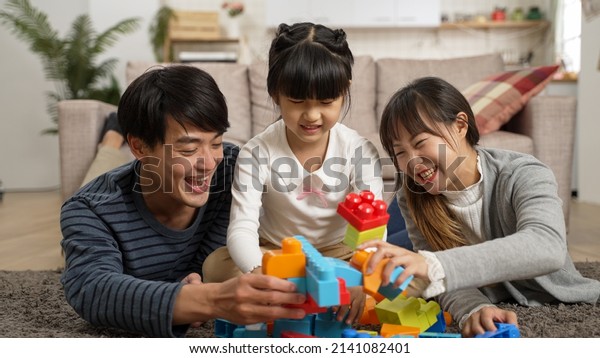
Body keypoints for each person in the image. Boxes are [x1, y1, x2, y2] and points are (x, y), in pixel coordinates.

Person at [60, 65, 307, 338]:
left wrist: (195, 282)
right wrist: (212, 299)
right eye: (189, 149)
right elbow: (92, 289)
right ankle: (111, 138)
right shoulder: (90, 210)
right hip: (119, 182)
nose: (209, 162)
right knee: (102, 164)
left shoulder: (233, 169)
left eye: (216, 143)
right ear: (140, 146)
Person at [359, 76, 600, 337]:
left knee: (411, 256)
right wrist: (474, 308)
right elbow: (438, 278)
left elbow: (548, 246)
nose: (412, 162)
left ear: (461, 125)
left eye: (419, 143)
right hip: (427, 230)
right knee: (394, 253)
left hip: (546, 289)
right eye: (400, 153)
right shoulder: (411, 193)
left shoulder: (523, 173)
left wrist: (433, 264)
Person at [202, 22, 384, 324]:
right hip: (277, 252)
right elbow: (242, 228)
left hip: (341, 255)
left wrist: (356, 271)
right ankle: (305, 293)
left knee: (396, 273)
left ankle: (308, 294)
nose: (312, 115)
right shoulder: (256, 151)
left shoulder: (358, 149)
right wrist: (259, 270)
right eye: (297, 102)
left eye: (326, 102)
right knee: (216, 268)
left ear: (344, 90)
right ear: (275, 94)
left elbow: (372, 227)